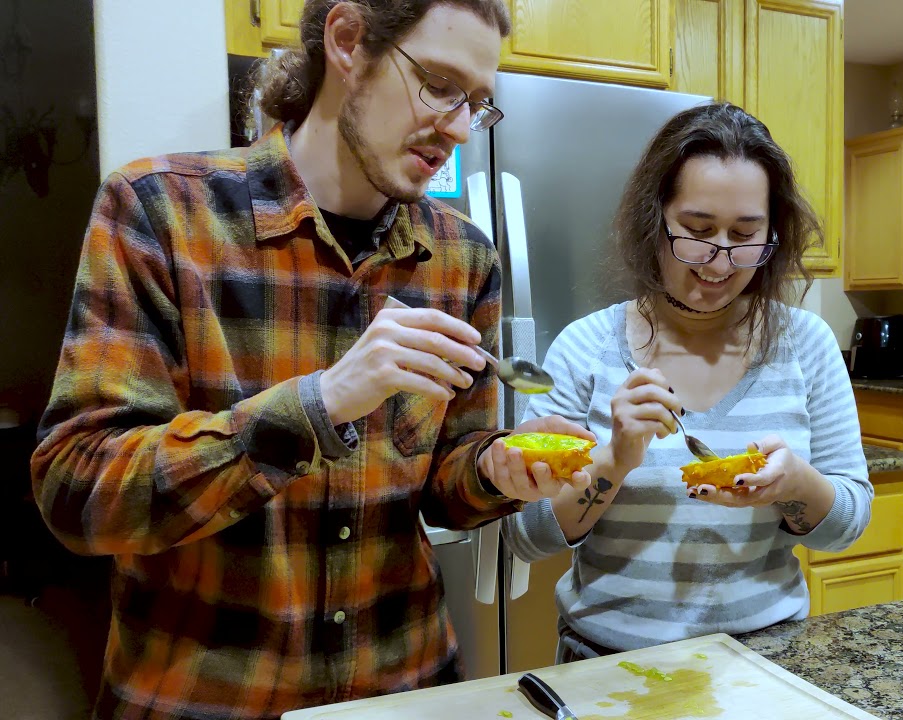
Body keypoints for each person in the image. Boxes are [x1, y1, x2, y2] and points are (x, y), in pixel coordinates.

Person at [29, 1, 592, 718]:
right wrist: (318, 406)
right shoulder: (160, 214)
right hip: (206, 700)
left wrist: (496, 469)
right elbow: (79, 493)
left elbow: (445, 480)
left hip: (406, 691)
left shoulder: (464, 258)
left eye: (476, 103)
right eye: (439, 86)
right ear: (349, 40)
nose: (456, 127)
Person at [503, 103, 873, 662]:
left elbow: (845, 526)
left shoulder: (807, 344)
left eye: (745, 234)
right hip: (609, 663)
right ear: (656, 221)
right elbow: (526, 535)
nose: (720, 261)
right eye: (697, 232)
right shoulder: (586, 348)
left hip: (767, 663)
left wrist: (794, 483)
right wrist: (616, 458)